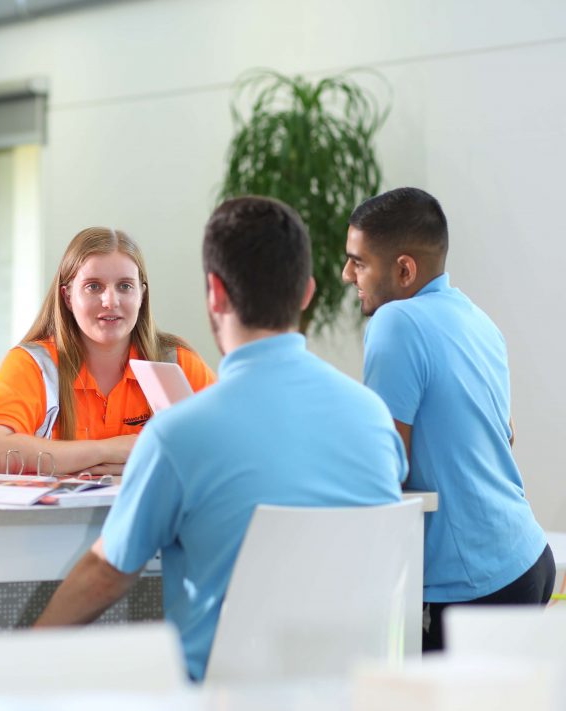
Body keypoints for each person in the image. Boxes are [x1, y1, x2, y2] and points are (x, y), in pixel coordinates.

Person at [35, 197, 406, 681]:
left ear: (215, 294)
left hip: (219, 698)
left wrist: (20, 655)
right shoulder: (373, 419)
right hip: (347, 696)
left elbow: (108, 571)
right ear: (307, 293)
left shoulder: (179, 434)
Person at [343, 187, 554, 651]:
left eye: (358, 262)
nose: (346, 274)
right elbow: (505, 432)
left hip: (475, 585)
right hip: (527, 559)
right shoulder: (477, 319)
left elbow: (384, 468)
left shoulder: (394, 322)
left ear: (403, 270)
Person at [0, 227, 215, 476]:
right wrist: (109, 451)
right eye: (93, 287)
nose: (110, 301)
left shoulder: (177, 361)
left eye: (124, 286)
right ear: (67, 297)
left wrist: (73, 460)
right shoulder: (33, 363)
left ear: (142, 294)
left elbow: (229, 447)